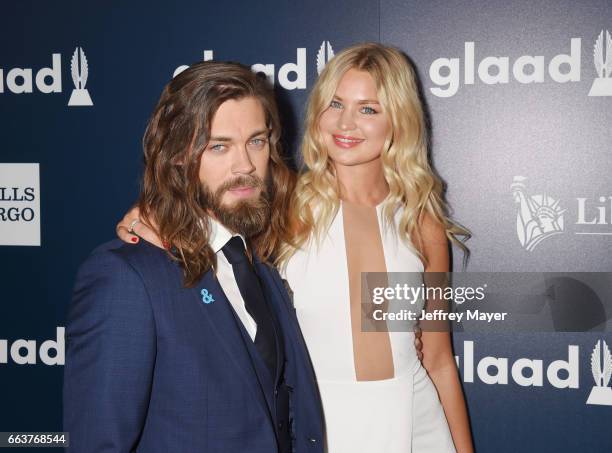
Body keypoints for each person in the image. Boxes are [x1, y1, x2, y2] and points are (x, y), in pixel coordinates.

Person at [118, 44, 471, 452]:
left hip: (416, 422)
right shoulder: (287, 207)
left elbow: (439, 359)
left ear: (399, 120)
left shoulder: (420, 221)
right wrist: (146, 212)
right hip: (319, 422)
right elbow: (203, 208)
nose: (346, 123)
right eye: (335, 104)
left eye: (368, 109)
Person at [64, 62, 324, 453]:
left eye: (256, 141)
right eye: (219, 146)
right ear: (178, 156)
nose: (246, 166)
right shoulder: (126, 277)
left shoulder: (260, 262)